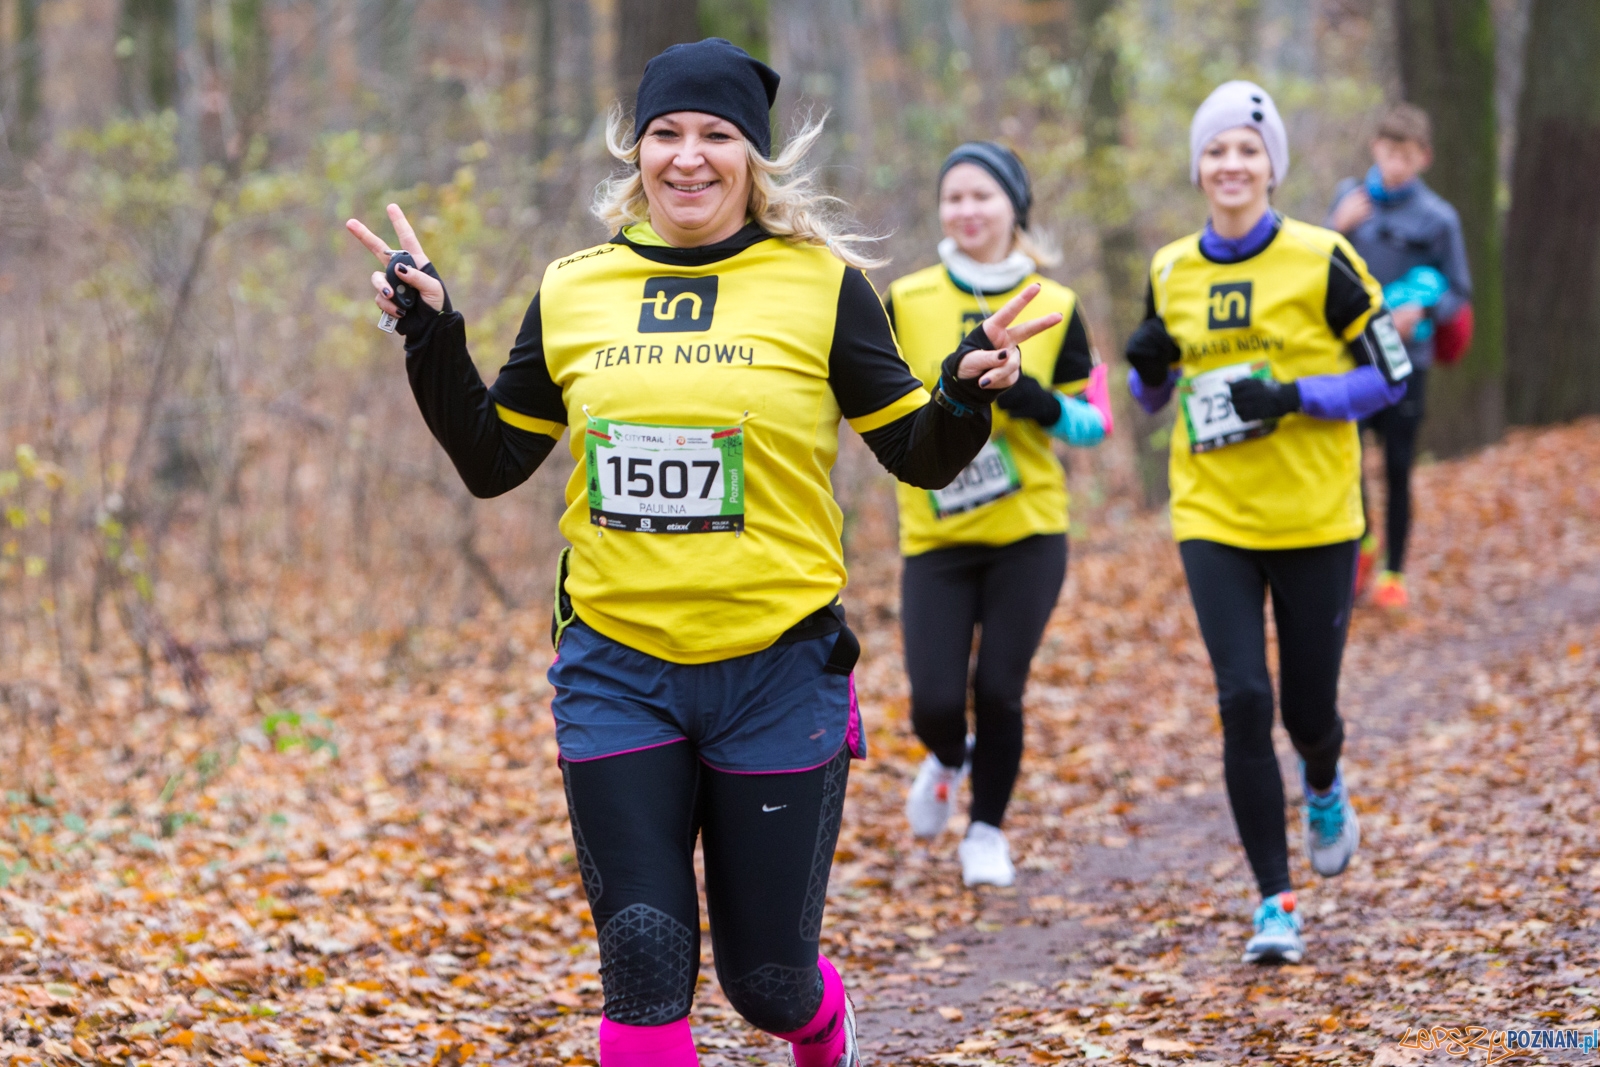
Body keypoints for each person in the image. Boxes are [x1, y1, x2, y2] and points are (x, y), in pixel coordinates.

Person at [346, 38, 1063, 1067]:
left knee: (767, 981)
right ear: (635, 151)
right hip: (616, 666)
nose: (688, 156)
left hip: (776, 668)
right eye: (666, 134)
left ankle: (820, 1023)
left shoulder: (821, 286)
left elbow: (918, 454)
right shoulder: (575, 286)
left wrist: (959, 391)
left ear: (754, 157)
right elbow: (495, 459)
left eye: (717, 135)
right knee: (643, 961)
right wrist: (433, 337)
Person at [1124, 81, 1412, 964]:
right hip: (1213, 513)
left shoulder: (1325, 258)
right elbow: (1151, 393)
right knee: (1243, 700)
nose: (1231, 163)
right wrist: (1147, 370)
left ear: (1271, 166)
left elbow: (1391, 374)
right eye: (1215, 150)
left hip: (1316, 516)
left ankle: (1323, 778)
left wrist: (1294, 396)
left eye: (1247, 149)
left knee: (1307, 710)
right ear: (1198, 168)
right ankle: (1274, 901)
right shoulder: (1171, 268)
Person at [883, 142, 1110, 888]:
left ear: (1016, 207)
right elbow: (879, 405)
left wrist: (1029, 398)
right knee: (935, 702)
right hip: (935, 532)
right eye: (954, 197)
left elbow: (1095, 423)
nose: (967, 210)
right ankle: (950, 757)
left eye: (983, 195)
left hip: (1028, 532)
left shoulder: (1059, 303)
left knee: (1000, 688)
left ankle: (986, 830)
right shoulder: (905, 298)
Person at [1327, 103, 1474, 610]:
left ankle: (1394, 574)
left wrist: (1423, 308)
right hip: (1350, 358)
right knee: (1346, 460)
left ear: (1423, 158)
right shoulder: (1348, 199)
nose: (1395, 164)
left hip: (1408, 360)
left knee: (1397, 465)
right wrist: (1337, 226)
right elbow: (1314, 267)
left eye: (1406, 156)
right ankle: (1363, 544)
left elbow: (1460, 292)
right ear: (1375, 148)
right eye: (1389, 152)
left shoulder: (1439, 219)